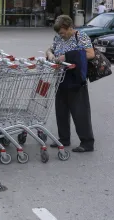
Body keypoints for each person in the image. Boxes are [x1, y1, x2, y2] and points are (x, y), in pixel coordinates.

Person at [45, 15, 96, 153]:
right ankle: (64, 138)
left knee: (80, 112)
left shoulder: (81, 36)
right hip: (60, 77)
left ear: (69, 28)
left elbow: (90, 54)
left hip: (75, 78)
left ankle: (87, 142)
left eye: (62, 32)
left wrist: (67, 56)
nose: (61, 35)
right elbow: (51, 48)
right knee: (61, 110)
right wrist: (50, 54)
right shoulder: (58, 38)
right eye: (59, 33)